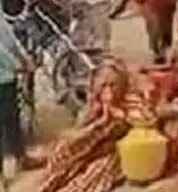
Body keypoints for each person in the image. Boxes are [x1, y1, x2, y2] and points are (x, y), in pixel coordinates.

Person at [34, 59, 131, 192]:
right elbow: (75, 135)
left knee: (95, 173)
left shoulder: (128, 104)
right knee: (61, 154)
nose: (109, 91)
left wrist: (117, 118)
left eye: (113, 85)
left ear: (122, 85)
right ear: (95, 86)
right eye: (103, 85)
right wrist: (98, 124)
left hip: (108, 155)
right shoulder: (91, 106)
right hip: (85, 149)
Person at [0, 6, 42, 173]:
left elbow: (7, 34)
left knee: (12, 118)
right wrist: (18, 64)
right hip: (3, 74)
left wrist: (23, 57)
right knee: (5, 120)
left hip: (6, 75)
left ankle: (20, 157)